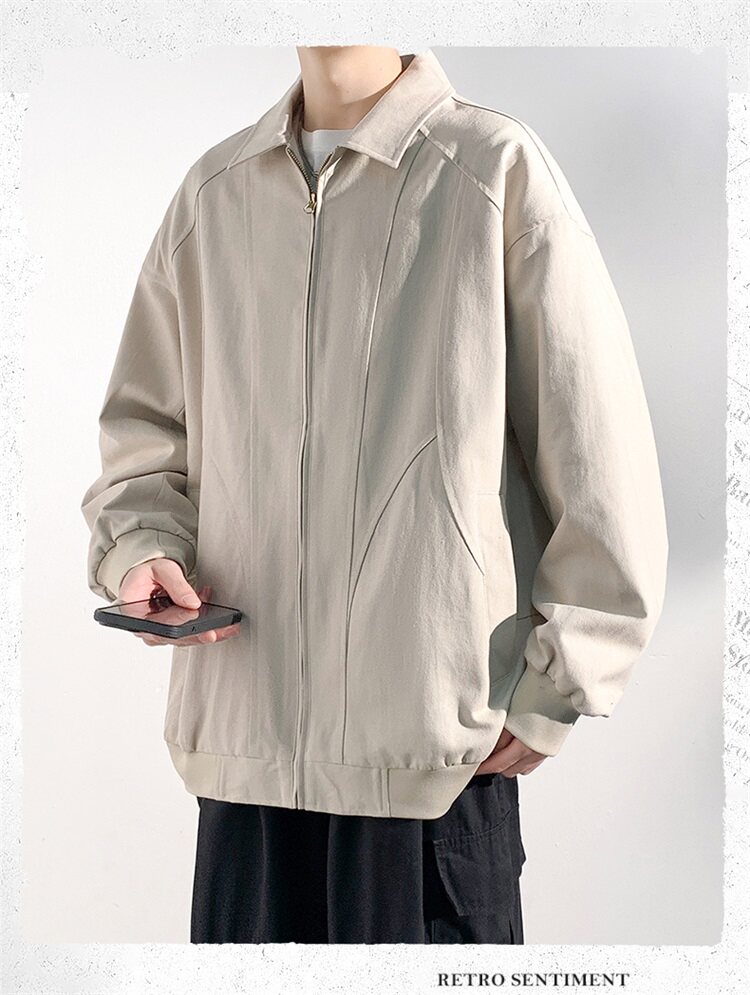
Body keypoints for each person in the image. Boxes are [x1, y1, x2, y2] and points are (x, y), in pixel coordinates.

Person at [80, 46, 669, 944]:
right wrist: (142, 548)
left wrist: (562, 680)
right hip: (243, 766)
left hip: (431, 768)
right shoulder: (213, 194)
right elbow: (144, 436)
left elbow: (599, 446)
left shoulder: (490, 172)